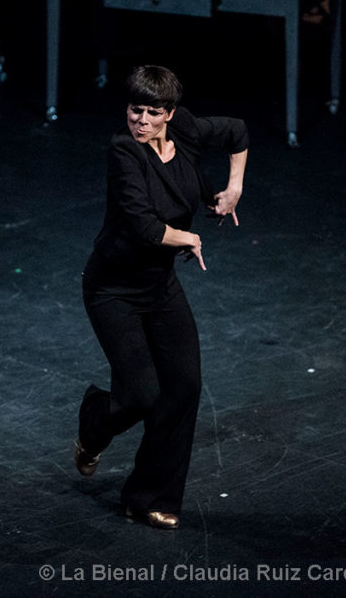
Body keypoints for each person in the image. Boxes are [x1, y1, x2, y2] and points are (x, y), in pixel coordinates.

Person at [75, 65, 249, 530]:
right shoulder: (123, 152)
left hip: (158, 286)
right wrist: (189, 239)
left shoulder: (186, 131)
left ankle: (148, 496)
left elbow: (238, 132)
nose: (142, 121)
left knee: (184, 387)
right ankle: (95, 422)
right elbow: (145, 227)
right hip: (113, 288)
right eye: (136, 110)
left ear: (170, 114)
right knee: (139, 395)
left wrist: (234, 190)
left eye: (154, 112)